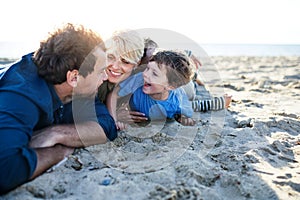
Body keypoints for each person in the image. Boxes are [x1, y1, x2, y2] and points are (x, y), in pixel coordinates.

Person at [0, 23, 117, 194]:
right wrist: (58, 152)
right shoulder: (22, 96)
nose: (106, 77)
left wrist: (57, 133)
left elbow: (107, 126)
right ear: (74, 77)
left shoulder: (77, 91)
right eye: (101, 71)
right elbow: (6, 170)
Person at [109, 50, 196, 130]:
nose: (145, 74)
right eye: (147, 68)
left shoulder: (177, 101)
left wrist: (183, 118)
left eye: (154, 74)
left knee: (191, 93)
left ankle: (193, 73)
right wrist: (114, 119)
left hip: (182, 90)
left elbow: (185, 114)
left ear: (170, 86)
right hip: (168, 87)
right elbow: (113, 95)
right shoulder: (139, 80)